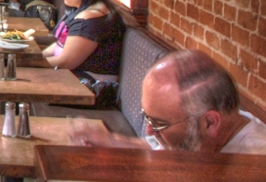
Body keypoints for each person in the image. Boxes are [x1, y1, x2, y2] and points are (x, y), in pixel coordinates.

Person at [69, 49, 266, 154]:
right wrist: (113, 141)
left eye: (158, 123)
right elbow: (157, 149)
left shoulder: (254, 167)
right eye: (147, 117)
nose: (149, 130)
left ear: (210, 122)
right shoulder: (198, 134)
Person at [42, 0, 129, 78]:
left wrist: (30, 63)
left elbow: (65, 62)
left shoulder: (90, 18)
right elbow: (61, 44)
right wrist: (40, 56)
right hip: (74, 75)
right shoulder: (90, 8)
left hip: (90, 82)